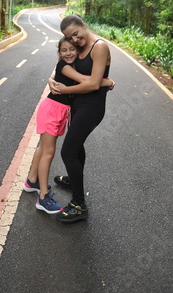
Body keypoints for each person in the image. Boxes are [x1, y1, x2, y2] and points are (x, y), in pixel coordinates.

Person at [24, 36, 114, 215]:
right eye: (64, 50)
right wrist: (107, 82)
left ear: (78, 51)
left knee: (44, 148)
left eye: (72, 50)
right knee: (49, 152)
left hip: (57, 111)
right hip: (52, 110)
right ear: (59, 53)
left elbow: (85, 78)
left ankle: (32, 181)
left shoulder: (70, 66)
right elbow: (86, 80)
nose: (68, 53)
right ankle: (43, 197)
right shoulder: (65, 67)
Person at [48, 14, 112, 223]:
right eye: (70, 37)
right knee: (77, 147)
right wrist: (51, 80)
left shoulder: (99, 47)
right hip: (77, 105)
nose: (74, 40)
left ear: (84, 26)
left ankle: (79, 204)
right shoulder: (80, 48)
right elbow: (64, 68)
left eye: (76, 34)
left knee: (68, 151)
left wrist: (67, 90)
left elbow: (93, 84)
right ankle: (73, 180)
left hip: (92, 107)